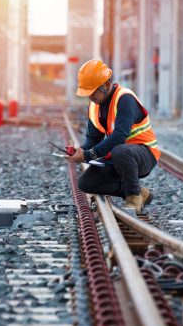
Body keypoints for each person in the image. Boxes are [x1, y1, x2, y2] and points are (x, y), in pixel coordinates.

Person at [65, 59, 161, 214]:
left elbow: (120, 135)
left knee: (120, 150)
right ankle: (138, 192)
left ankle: (134, 198)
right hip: (119, 157)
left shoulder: (124, 99)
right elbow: (93, 138)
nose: (90, 97)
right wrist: (80, 150)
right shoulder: (94, 106)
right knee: (85, 183)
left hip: (144, 155)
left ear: (107, 85)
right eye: (87, 93)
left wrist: (90, 155)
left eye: (93, 92)